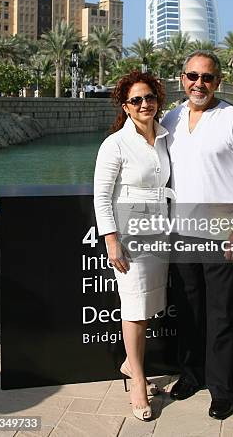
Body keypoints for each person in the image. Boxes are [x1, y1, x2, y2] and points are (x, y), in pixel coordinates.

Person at [162, 50, 233, 420]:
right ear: (182, 78)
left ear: (217, 81)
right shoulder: (170, 119)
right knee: (188, 312)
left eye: (206, 77)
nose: (198, 84)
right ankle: (191, 376)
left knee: (221, 314)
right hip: (181, 232)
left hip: (224, 233)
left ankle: (222, 390)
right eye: (192, 76)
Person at [94, 71, 172, 422]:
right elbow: (101, 196)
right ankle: (138, 381)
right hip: (129, 234)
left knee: (150, 303)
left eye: (150, 97)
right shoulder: (115, 144)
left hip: (161, 231)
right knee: (135, 307)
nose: (145, 104)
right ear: (125, 107)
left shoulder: (165, 137)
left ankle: (130, 363)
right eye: (137, 100)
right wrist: (111, 239)